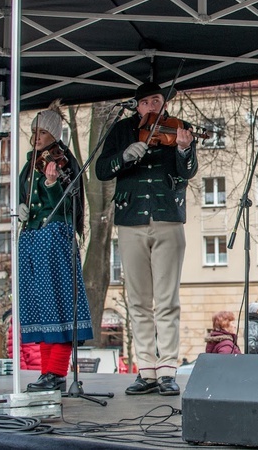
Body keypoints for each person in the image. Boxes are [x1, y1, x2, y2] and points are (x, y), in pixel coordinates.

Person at [95, 82, 197, 396]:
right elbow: (101, 170)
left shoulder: (178, 128)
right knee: (139, 301)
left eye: (157, 101)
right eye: (146, 102)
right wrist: (123, 156)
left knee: (167, 300)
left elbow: (188, 171)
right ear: (137, 106)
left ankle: (168, 370)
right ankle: (147, 370)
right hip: (130, 219)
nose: (151, 106)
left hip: (167, 217)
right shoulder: (121, 130)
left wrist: (183, 149)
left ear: (164, 104)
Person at [17, 100, 93, 392]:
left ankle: (57, 373)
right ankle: (45, 372)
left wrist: (51, 187)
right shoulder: (29, 163)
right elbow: (26, 197)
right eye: (34, 131)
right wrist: (21, 208)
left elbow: (66, 205)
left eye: (43, 133)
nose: (37, 137)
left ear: (55, 136)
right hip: (33, 236)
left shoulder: (63, 162)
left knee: (57, 303)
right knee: (39, 306)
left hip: (54, 236)